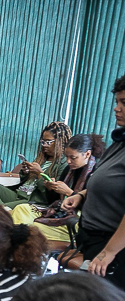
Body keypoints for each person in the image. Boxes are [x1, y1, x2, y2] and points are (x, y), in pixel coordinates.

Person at [62, 74, 125, 289]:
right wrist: (81, 195)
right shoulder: (119, 142)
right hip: (92, 240)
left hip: (113, 248)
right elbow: (105, 182)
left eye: (124, 102)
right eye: (116, 102)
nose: (116, 108)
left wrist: (109, 252)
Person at [11, 133, 104, 242]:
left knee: (31, 227)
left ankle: (20, 248)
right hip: (58, 212)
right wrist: (51, 189)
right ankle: (20, 246)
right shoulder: (69, 170)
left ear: (87, 154)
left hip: (77, 221)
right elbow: (53, 201)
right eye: (67, 157)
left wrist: (70, 193)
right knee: (21, 209)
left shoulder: (97, 174)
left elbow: (94, 209)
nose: (68, 161)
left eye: (73, 158)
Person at [0, 122, 72, 208]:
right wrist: (25, 172)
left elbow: (52, 196)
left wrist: (40, 173)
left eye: (48, 142)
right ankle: (2, 209)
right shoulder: (42, 158)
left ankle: (1, 210)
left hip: (33, 200)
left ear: (60, 142)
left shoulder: (64, 165)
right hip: (20, 193)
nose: (44, 145)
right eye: (42, 142)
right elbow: (27, 180)